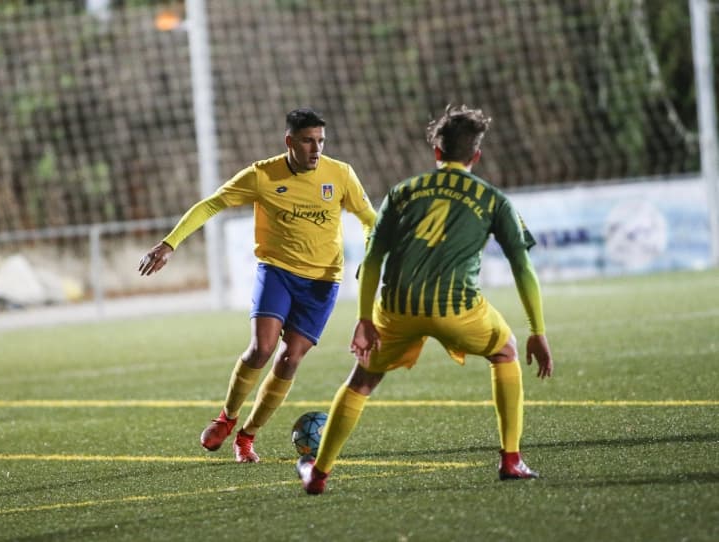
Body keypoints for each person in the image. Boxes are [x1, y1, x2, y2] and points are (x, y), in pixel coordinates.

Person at [297, 104, 554, 494]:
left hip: (396, 309)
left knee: (362, 379)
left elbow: (372, 260)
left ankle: (318, 475)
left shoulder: (402, 192)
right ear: (476, 156)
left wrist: (365, 318)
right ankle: (511, 460)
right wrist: (538, 329)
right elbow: (522, 266)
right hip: (458, 310)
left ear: (436, 151)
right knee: (505, 351)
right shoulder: (493, 199)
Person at [139, 108, 376, 463]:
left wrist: (371, 258)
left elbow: (370, 220)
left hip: (322, 282)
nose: (316, 150)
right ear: (289, 142)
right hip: (278, 271)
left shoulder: (340, 174)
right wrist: (170, 243)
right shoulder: (262, 175)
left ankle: (246, 436)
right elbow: (212, 204)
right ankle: (226, 418)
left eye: (321, 141)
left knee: (290, 359)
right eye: (308, 141)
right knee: (261, 349)